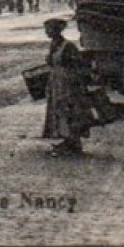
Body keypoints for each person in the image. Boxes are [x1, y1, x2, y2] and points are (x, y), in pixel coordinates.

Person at [41, 18, 97, 156]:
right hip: (57, 82)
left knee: (70, 111)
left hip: (68, 84)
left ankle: (74, 142)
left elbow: (78, 64)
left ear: (56, 31)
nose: (46, 32)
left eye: (48, 30)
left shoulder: (68, 46)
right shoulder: (54, 44)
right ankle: (67, 140)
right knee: (59, 111)